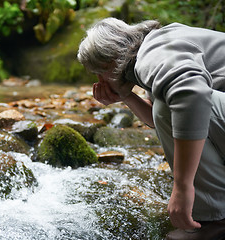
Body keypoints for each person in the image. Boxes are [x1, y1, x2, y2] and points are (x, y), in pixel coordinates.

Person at [77, 17, 225, 239]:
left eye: (99, 72)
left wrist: (182, 187)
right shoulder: (157, 48)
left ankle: (215, 219)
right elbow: (170, 122)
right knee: (168, 107)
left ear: (109, 60)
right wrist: (127, 97)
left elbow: (191, 95)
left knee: (169, 105)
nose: (100, 80)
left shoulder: (154, 50)